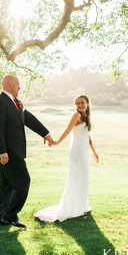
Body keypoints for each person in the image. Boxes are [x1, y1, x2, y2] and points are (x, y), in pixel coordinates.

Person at [0, 74, 53, 229]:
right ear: (10, 84)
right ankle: (9, 215)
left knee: (6, 186)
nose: (19, 87)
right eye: (18, 84)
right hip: (8, 154)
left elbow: (29, 119)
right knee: (23, 182)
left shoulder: (15, 103)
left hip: (13, 153)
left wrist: (45, 133)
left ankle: (2, 218)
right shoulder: (0, 103)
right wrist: (2, 152)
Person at [34, 94, 99, 222]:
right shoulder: (77, 115)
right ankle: (75, 207)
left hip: (84, 151)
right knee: (77, 177)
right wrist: (57, 142)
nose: (79, 105)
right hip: (77, 152)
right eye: (77, 103)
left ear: (88, 103)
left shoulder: (87, 117)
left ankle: (82, 205)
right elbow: (68, 130)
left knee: (83, 178)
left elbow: (88, 137)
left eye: (82, 103)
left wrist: (94, 153)